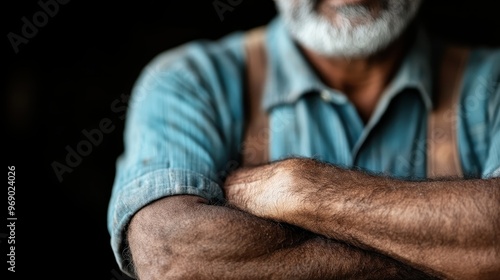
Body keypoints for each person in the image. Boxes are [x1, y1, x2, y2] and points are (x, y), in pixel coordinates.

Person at [107, 0, 500, 279]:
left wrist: (297, 186)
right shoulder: (190, 81)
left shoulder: (492, 83)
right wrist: (448, 256)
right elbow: (171, 255)